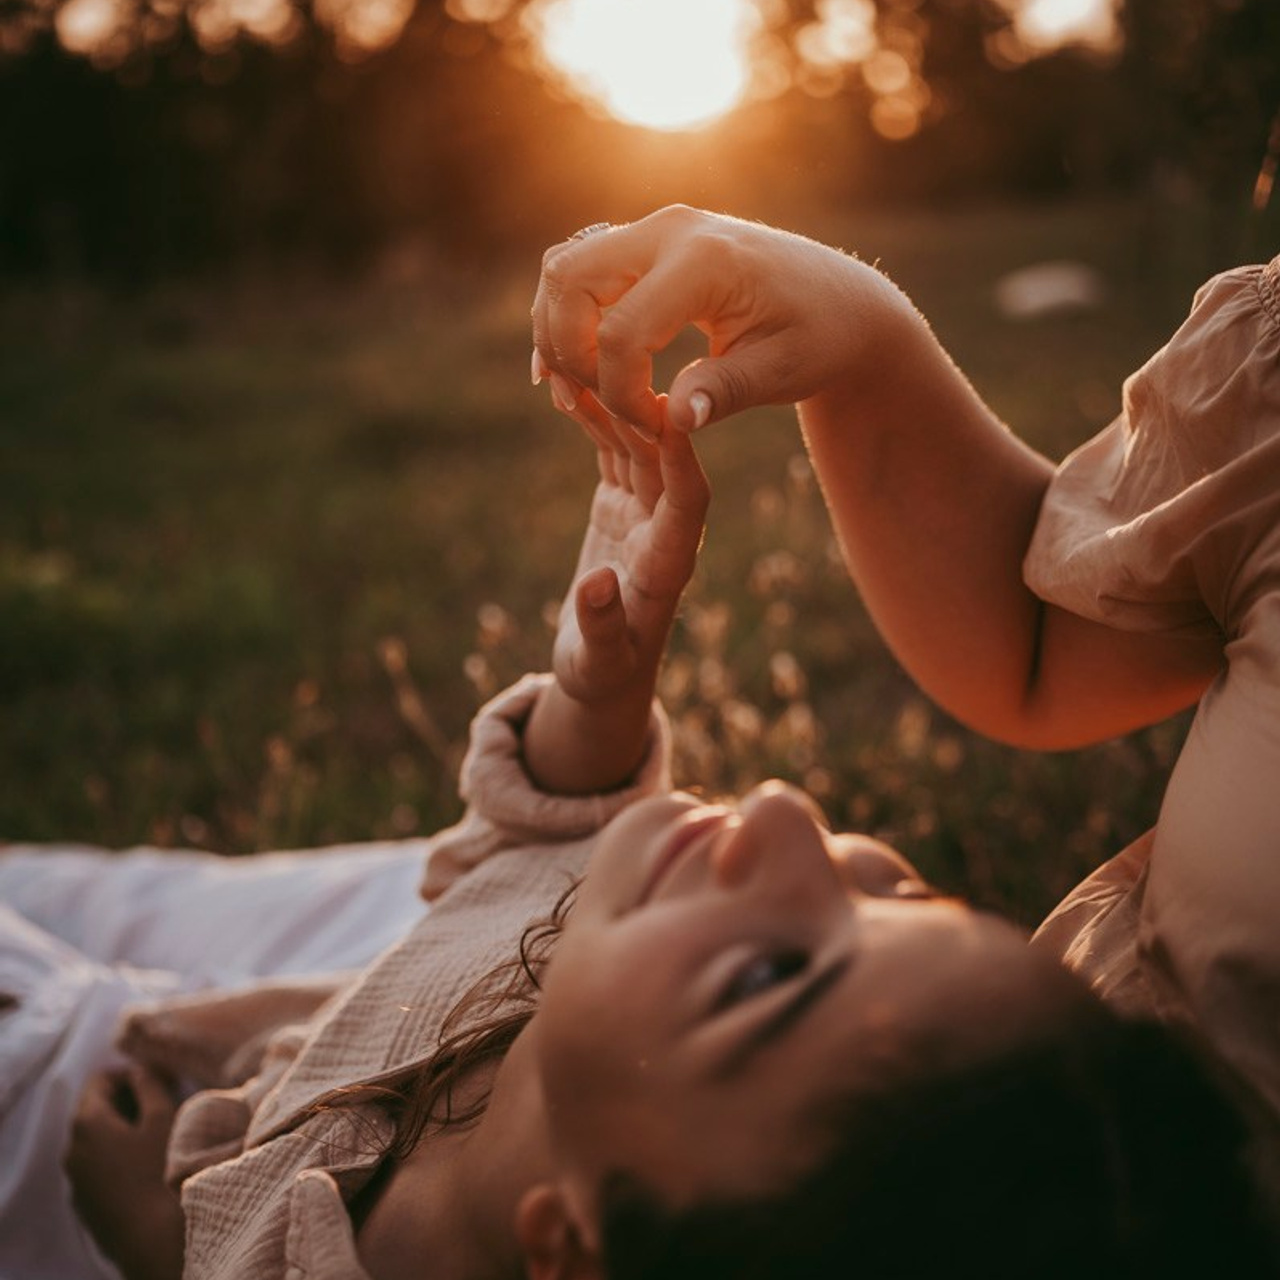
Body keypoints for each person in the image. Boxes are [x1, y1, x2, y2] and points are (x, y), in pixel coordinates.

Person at [4, 215, 1274, 1279]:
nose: (785, 816)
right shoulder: (586, 971)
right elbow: (516, 856)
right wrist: (593, 697)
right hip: (250, 1020)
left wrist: (151, 1240)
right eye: (896, 889)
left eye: (768, 976)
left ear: (570, 1247)